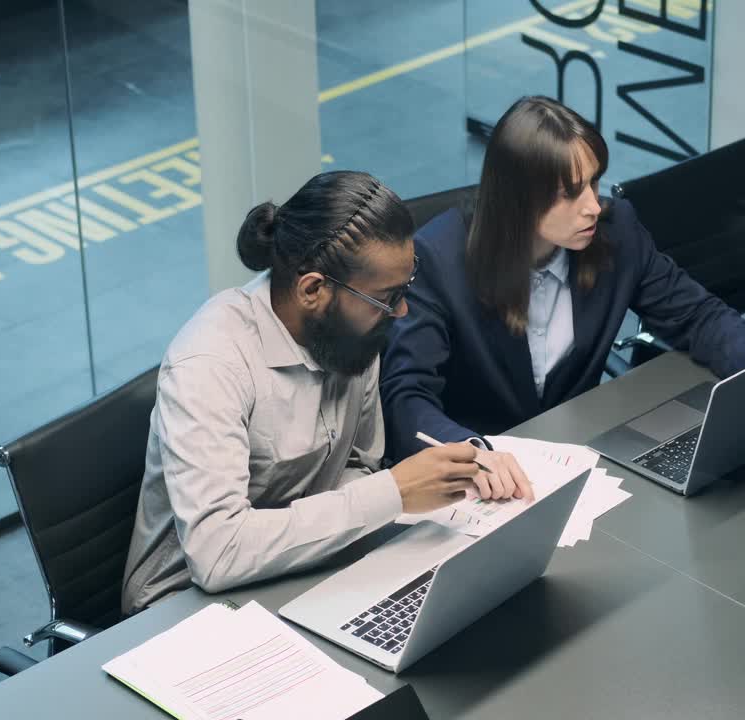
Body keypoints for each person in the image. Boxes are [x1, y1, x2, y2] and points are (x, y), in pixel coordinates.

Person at [380, 96, 745, 484]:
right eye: (569, 193)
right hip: (484, 483)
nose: (593, 206)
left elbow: (695, 315)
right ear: (517, 202)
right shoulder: (438, 260)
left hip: (580, 458)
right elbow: (406, 399)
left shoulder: (617, 231)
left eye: (594, 183)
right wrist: (474, 455)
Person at [122, 171, 484, 615]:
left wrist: (393, 494)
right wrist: (393, 492)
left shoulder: (353, 333)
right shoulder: (210, 366)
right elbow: (217, 553)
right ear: (313, 289)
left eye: (404, 290)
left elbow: (356, 464)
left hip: (305, 574)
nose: (402, 310)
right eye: (389, 297)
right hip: (184, 612)